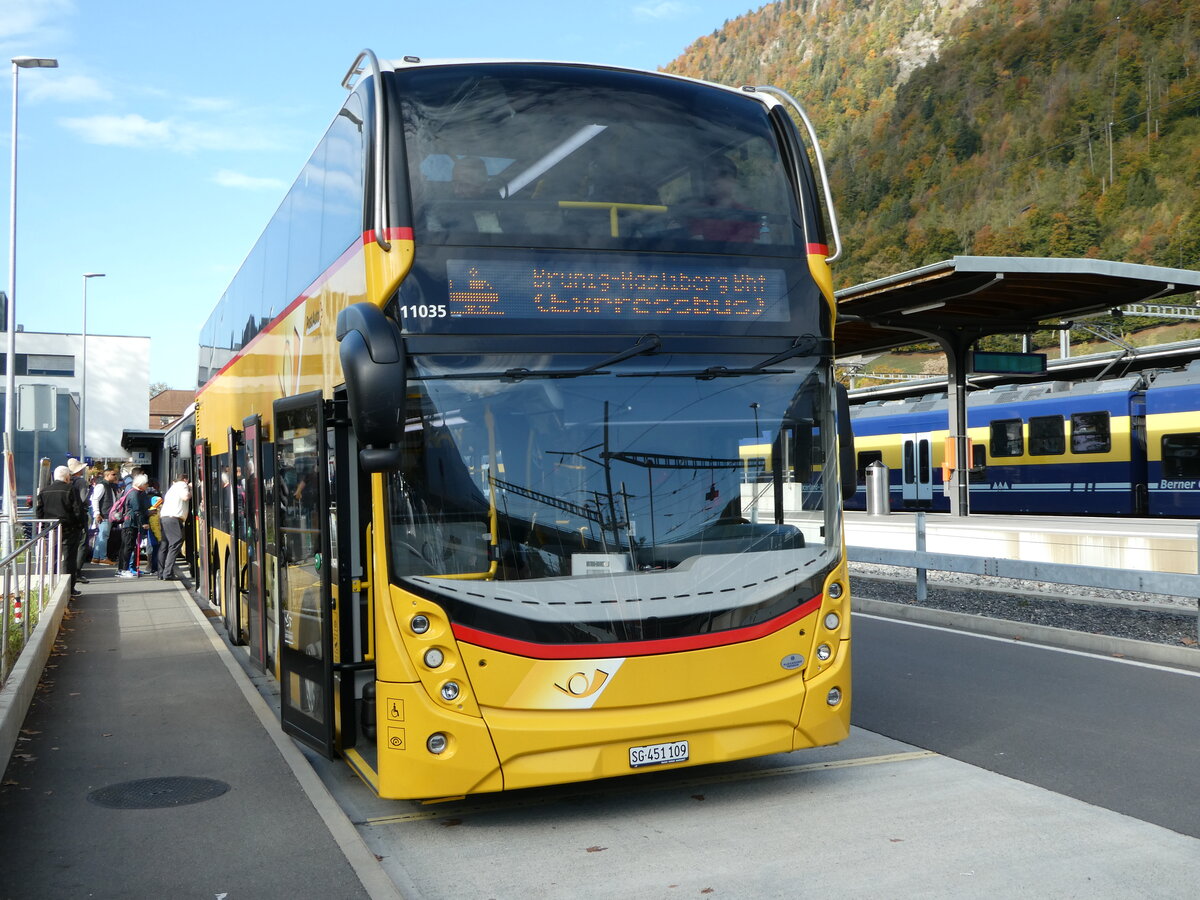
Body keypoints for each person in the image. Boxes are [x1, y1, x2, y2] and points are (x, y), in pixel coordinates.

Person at [36, 465, 88, 598]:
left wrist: (42, 528)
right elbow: (78, 510)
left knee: (52, 557)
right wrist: (80, 525)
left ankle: (51, 586)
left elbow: (39, 512)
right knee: (68, 559)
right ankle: (69, 588)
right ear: (67, 477)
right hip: (69, 529)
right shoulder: (71, 489)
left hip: (51, 529)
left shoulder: (44, 491)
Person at [157, 472, 191, 580]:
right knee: (176, 543)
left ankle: (161, 573)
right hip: (173, 519)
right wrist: (191, 490)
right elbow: (185, 497)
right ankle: (167, 573)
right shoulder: (182, 485)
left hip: (165, 518)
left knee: (164, 545)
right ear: (185, 480)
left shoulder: (172, 488)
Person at [116, 474, 151, 578]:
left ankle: (122, 569)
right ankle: (124, 569)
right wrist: (143, 523)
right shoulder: (134, 494)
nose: (147, 486)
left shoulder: (132, 492)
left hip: (128, 523)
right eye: (145, 484)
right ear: (141, 485)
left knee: (126, 547)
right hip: (131, 523)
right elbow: (137, 510)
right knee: (128, 547)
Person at [90, 468, 122, 564]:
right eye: (113, 474)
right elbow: (95, 499)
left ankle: (96, 557)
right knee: (104, 536)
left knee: (102, 536)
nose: (115, 476)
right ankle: (103, 558)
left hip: (106, 514)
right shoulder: (102, 486)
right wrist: (97, 513)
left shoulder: (109, 486)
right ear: (107, 475)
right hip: (104, 514)